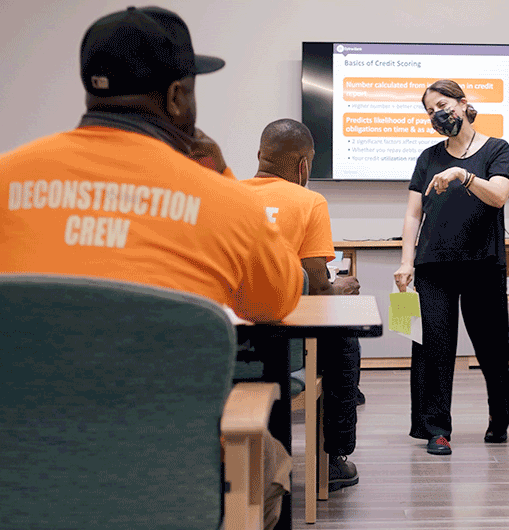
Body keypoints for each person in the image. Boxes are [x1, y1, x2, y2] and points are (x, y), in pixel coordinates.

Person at [0, 7, 302, 529]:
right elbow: (276, 300)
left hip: (15, 478)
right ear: (177, 97)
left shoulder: (7, 176)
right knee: (270, 464)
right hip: (169, 493)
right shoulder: (226, 202)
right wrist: (223, 175)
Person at [394, 79, 509, 455]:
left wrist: (464, 175)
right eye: (430, 111)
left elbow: (498, 196)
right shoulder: (428, 157)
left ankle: (500, 415)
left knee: (492, 350)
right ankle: (436, 429)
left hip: (483, 264)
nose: (437, 114)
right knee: (434, 348)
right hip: (434, 267)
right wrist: (405, 262)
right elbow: (414, 213)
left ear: (463, 104)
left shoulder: (496, 149)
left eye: (442, 105)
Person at [241, 118, 363, 491]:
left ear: (260, 155)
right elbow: (317, 289)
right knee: (345, 343)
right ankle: (334, 458)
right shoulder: (310, 201)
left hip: (233, 338)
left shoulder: (226, 194)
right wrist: (342, 285)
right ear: (303, 165)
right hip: (287, 342)